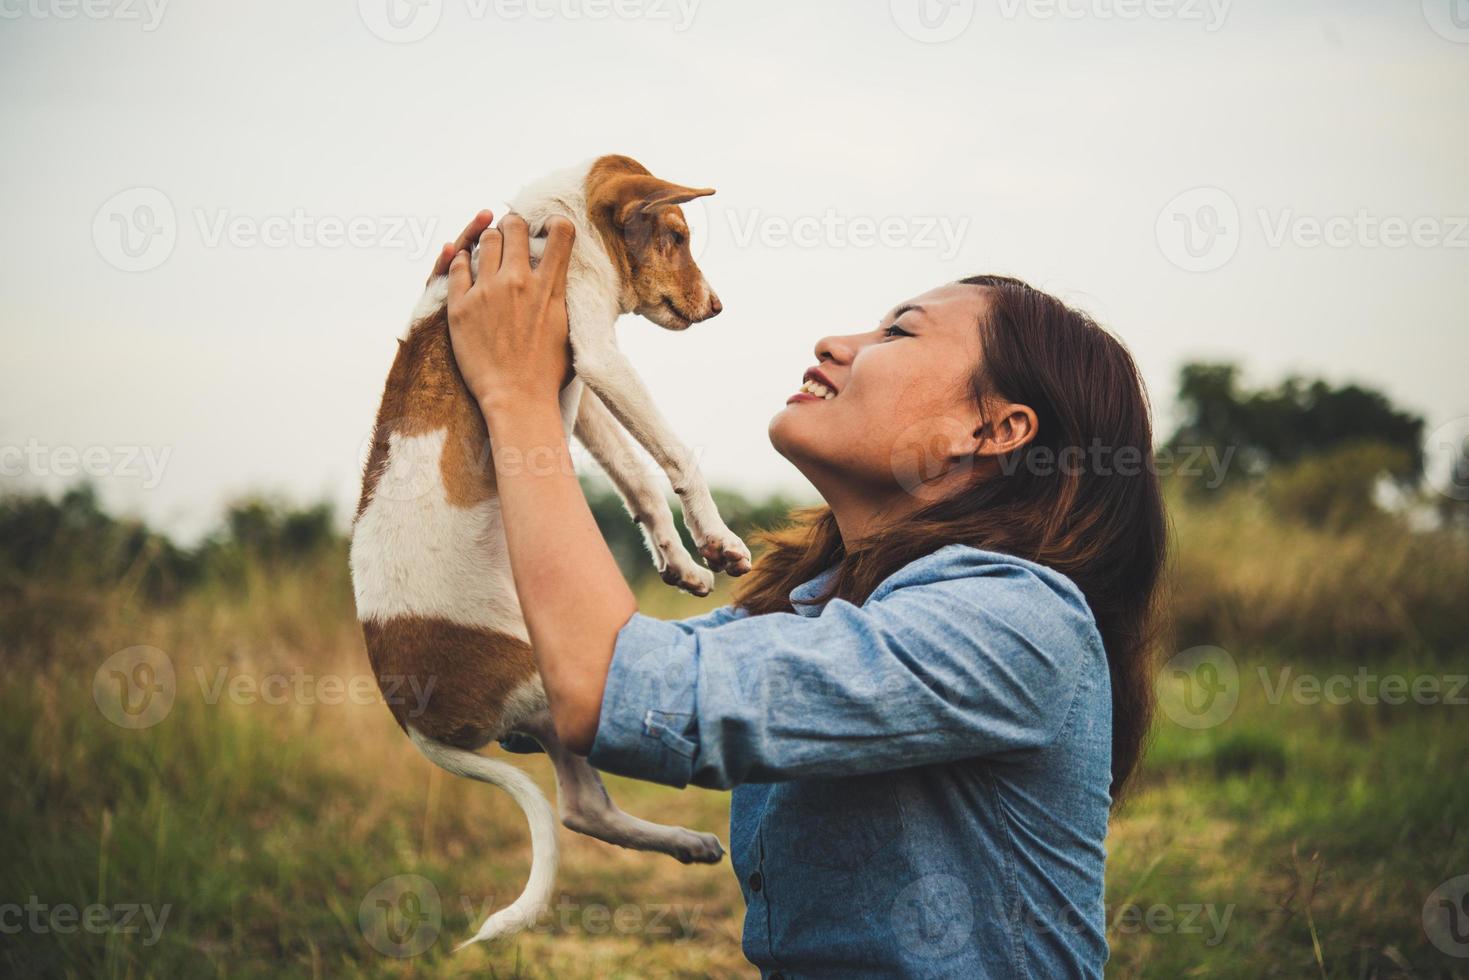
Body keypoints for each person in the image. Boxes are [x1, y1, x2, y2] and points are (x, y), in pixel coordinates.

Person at [429, 208, 1167, 978]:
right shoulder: (816, 608)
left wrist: (518, 393)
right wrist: (455, 382)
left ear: (991, 428)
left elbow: (605, 681)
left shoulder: (1017, 620)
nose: (834, 343)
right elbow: (522, 676)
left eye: (898, 333)